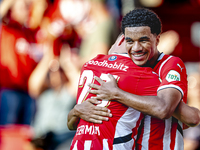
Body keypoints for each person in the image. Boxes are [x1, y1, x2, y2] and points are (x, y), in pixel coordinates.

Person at [68, 8, 200, 150]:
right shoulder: (125, 72)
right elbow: (71, 125)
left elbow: (186, 116)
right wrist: (76, 111)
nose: (136, 48)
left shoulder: (169, 64)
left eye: (143, 40)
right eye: (130, 41)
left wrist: (117, 94)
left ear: (157, 39)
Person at [68, 34, 162, 149]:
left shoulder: (89, 65)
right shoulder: (142, 74)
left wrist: (75, 111)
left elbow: (71, 125)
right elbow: (169, 109)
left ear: (121, 39)